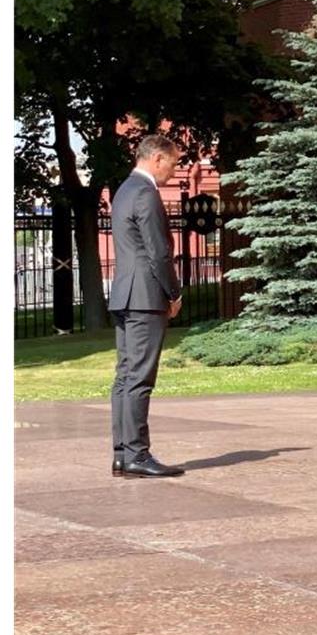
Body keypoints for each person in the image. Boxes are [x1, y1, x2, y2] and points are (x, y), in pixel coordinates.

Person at [108, 134, 186, 479]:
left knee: (125, 377)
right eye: (173, 163)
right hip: (145, 297)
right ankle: (137, 454)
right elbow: (158, 251)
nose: (174, 170)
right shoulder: (146, 193)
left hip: (125, 294)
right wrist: (173, 292)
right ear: (156, 159)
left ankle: (123, 453)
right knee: (139, 378)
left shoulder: (123, 190)